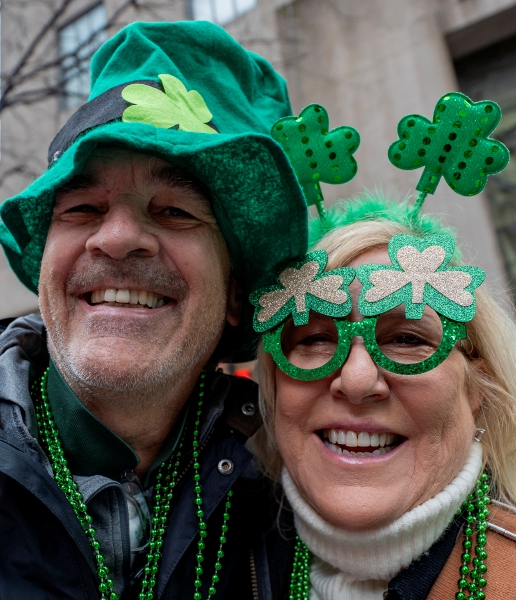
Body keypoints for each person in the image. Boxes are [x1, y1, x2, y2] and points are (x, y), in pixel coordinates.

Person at [0, 21, 308, 599]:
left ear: (237, 295)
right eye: (83, 207)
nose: (116, 238)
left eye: (175, 212)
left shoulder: (298, 494)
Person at [249, 97, 516, 599]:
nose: (355, 380)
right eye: (314, 338)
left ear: (474, 383)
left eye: (406, 339)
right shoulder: (201, 563)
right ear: (275, 387)